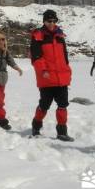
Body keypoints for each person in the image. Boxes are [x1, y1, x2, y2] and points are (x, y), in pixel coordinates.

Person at [30, 10, 74, 142]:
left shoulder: (60, 35)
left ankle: (62, 133)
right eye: (49, 21)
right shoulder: (38, 35)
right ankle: (36, 127)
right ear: (44, 21)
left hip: (61, 78)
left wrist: (68, 70)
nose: (52, 23)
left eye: (54, 21)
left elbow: (65, 57)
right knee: (44, 105)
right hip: (47, 78)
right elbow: (36, 57)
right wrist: (43, 70)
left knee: (62, 105)